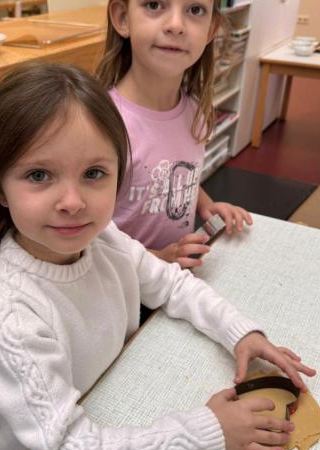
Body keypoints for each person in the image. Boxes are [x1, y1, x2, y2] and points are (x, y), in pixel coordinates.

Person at [0, 62, 315, 450]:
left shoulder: (104, 238)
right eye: (38, 175)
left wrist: (239, 332)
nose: (72, 202)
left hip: (119, 395)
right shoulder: (8, 309)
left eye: (94, 174)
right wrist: (213, 431)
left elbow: (172, 284)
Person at [96, 0, 252, 269]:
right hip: (121, 281)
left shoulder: (195, 112)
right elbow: (89, 236)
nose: (176, 26)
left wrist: (205, 205)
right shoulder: (101, 125)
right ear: (122, 17)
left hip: (176, 279)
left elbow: (171, 175)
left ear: (211, 29)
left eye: (195, 10)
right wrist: (157, 258)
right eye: (155, 4)